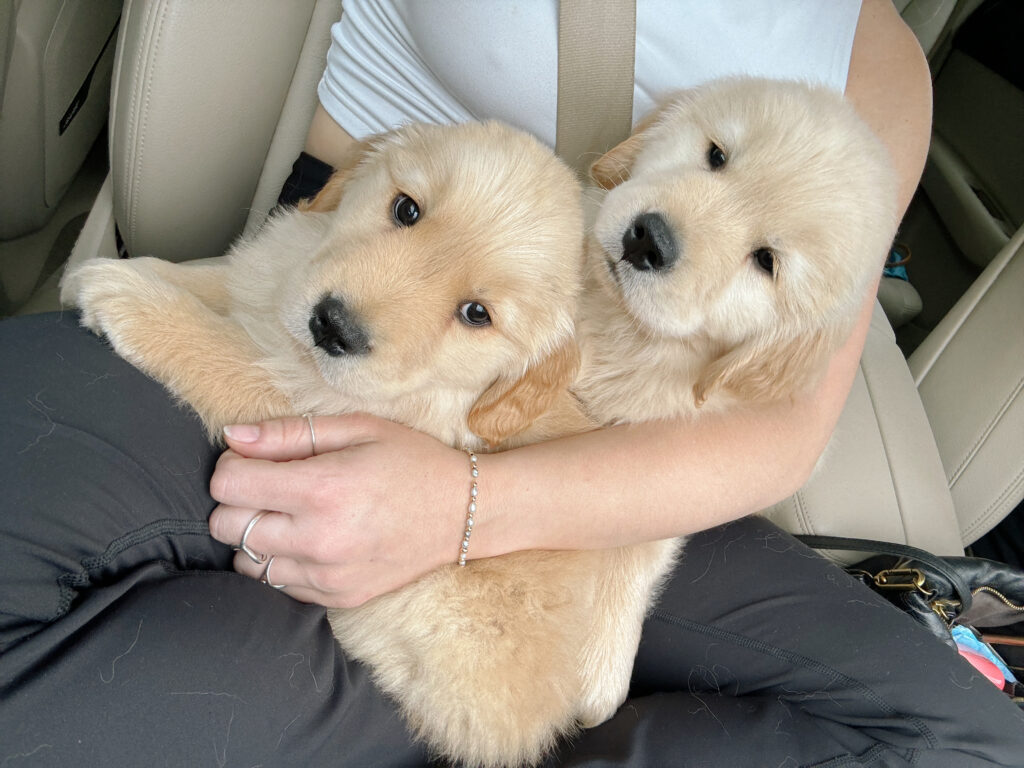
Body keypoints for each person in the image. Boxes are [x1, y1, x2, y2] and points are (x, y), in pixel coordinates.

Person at [2, 1, 1022, 766]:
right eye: (710, 154)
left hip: (611, 475)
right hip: (343, 293)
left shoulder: (881, 67)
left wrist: (462, 509)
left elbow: (786, 416)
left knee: (966, 741)